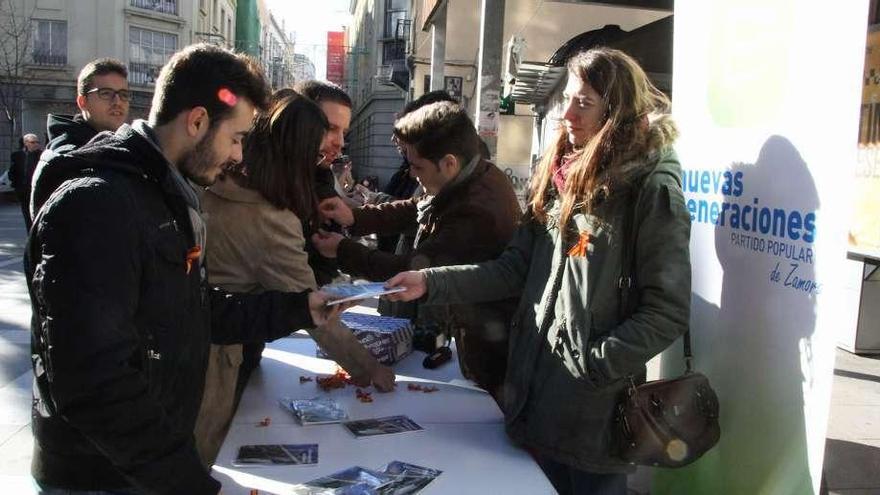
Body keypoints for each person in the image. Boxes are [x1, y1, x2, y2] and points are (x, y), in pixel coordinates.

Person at [26, 43, 343, 495]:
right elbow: (95, 381)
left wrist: (300, 308)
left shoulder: (169, 196)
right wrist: (185, 481)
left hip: (144, 464)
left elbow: (193, 312)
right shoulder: (97, 204)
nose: (238, 155)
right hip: (101, 476)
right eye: (235, 138)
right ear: (197, 121)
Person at [384, 48, 692, 495]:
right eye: (568, 98)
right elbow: (512, 270)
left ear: (618, 109)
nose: (567, 113)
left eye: (583, 102)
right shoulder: (558, 176)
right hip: (533, 401)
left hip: (593, 419)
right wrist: (430, 283)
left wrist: (592, 365)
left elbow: (667, 310)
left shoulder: (650, 190)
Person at [194, 93, 395, 466]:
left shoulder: (219, 183)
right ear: (297, 155)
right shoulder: (269, 217)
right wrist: (370, 369)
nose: (323, 163)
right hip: (212, 365)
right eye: (317, 156)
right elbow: (312, 309)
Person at [312, 101, 521, 399]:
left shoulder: (478, 211)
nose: (411, 174)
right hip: (472, 331)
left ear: (448, 163)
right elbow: (415, 208)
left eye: (417, 166)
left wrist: (342, 251)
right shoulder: (464, 176)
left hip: (492, 350)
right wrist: (355, 217)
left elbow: (409, 273)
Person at [31, 58, 130, 220]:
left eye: (123, 94)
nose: (117, 102)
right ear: (82, 102)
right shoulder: (69, 157)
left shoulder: (121, 148)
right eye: (106, 93)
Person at [8, 133, 41, 230]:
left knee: (36, 214)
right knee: (27, 214)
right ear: (25, 143)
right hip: (22, 190)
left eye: (37, 142)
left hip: (36, 190)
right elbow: (12, 171)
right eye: (33, 142)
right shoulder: (17, 155)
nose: (36, 144)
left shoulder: (41, 155)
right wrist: (16, 184)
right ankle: (30, 235)